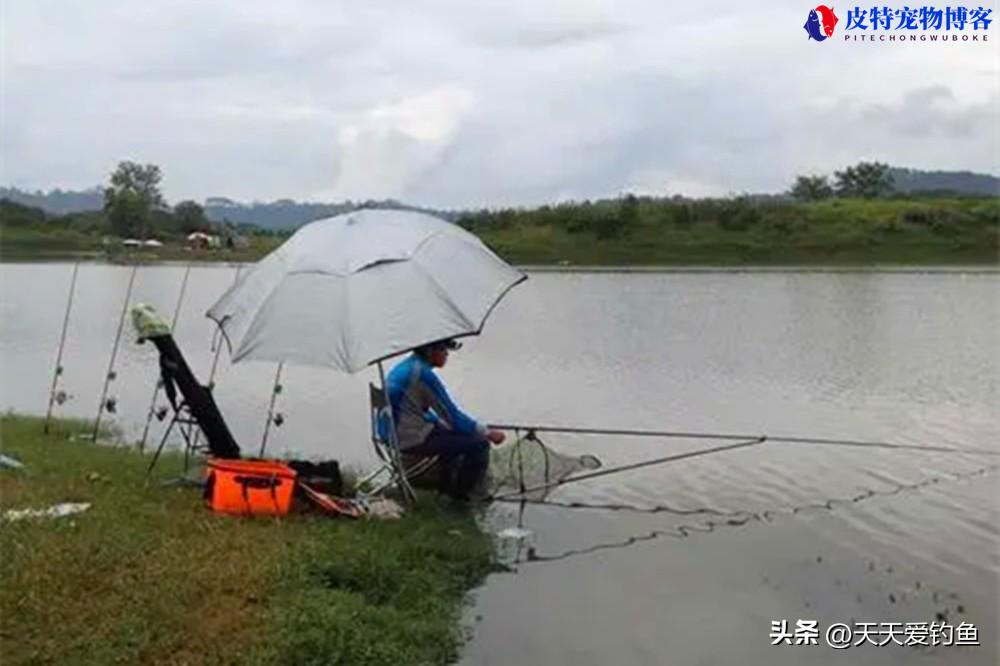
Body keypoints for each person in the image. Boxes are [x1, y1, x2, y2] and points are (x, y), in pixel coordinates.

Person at [383, 338, 505, 500]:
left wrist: (439, 422)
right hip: (407, 438)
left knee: (449, 432)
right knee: (479, 443)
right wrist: (488, 433)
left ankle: (447, 490)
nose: (447, 353)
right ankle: (464, 496)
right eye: (443, 349)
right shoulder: (422, 375)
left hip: (389, 433)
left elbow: (412, 409)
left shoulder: (405, 367)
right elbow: (452, 416)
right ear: (429, 352)